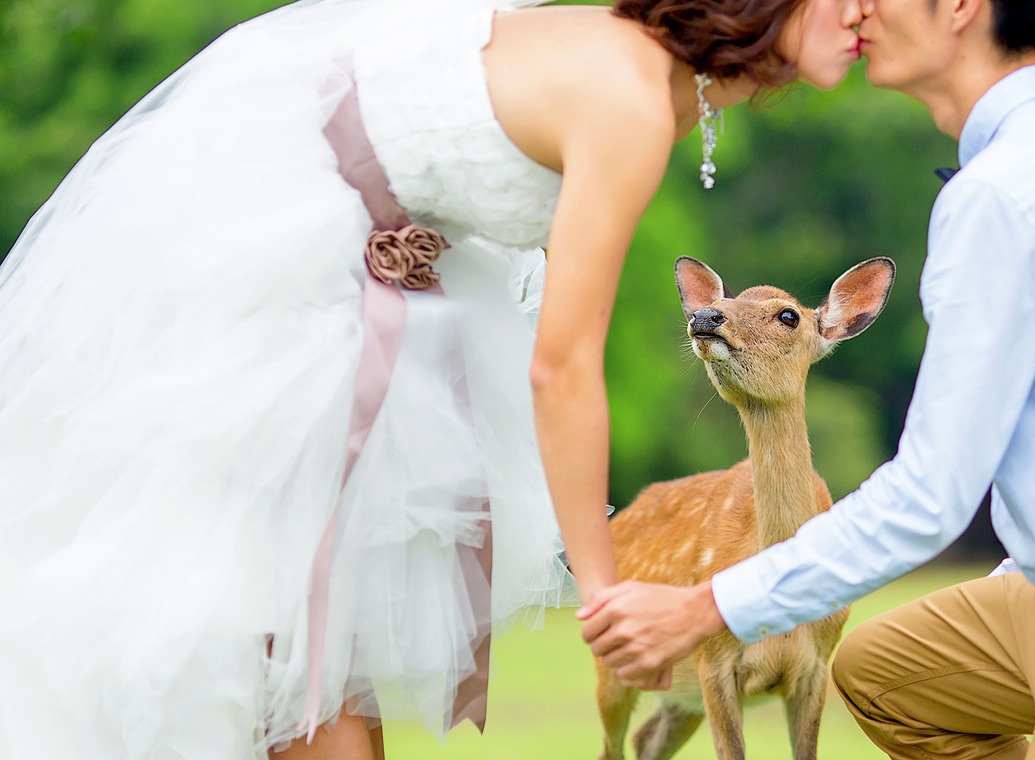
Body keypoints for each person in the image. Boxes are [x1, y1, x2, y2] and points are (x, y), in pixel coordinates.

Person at [0, 0, 866, 758]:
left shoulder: (645, 76)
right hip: (284, 295)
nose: (869, 11)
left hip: (382, 296)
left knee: (319, 655)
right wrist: (605, 596)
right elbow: (562, 365)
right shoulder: (629, 100)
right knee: (285, 642)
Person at [579, 0, 1035, 756]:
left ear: (965, 8)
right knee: (880, 671)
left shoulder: (1002, 193)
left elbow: (929, 495)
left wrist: (709, 606)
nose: (859, 8)